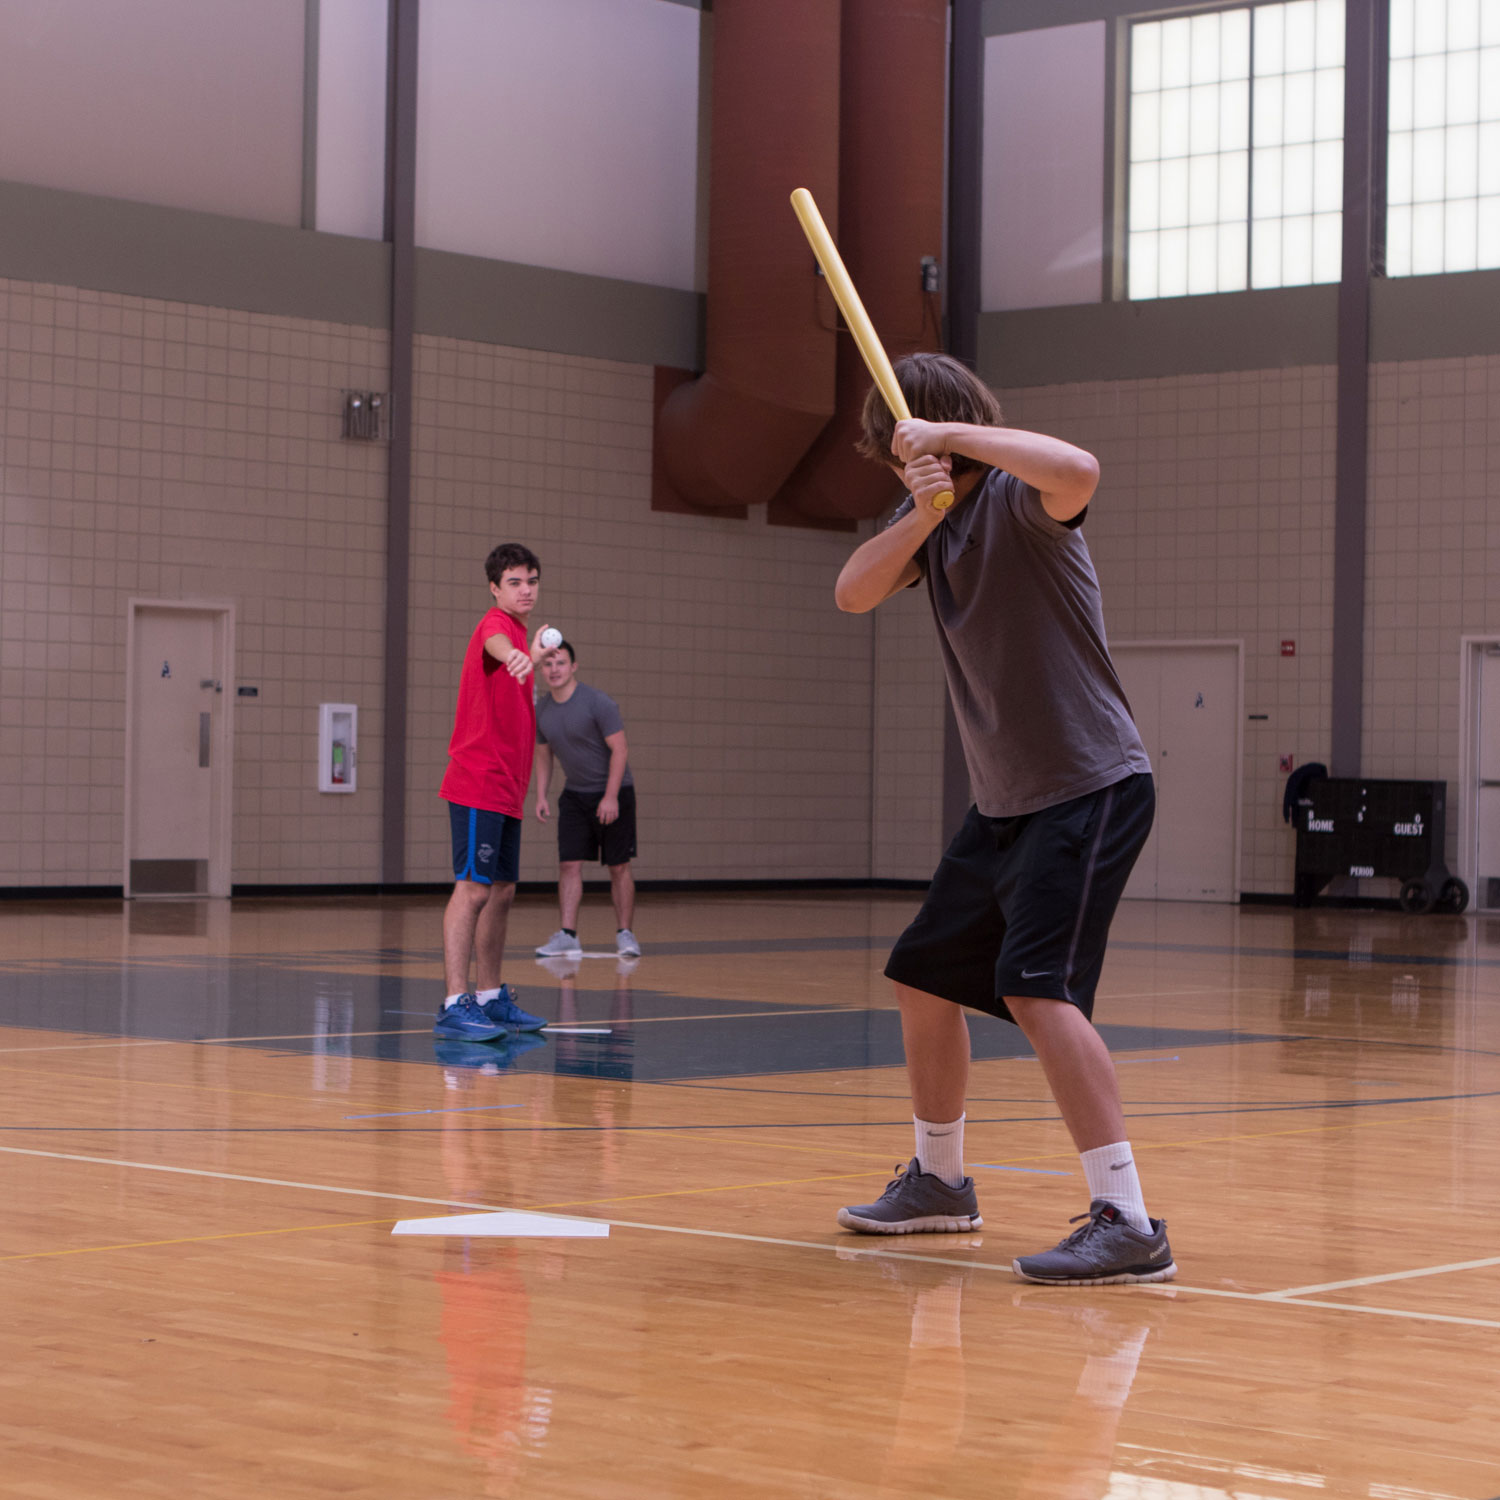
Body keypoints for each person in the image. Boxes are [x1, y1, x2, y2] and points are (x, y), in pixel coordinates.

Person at [831, 352, 1173, 1287]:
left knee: (1034, 988)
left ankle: (1129, 1219)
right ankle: (941, 1182)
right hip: (1006, 804)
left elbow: (1081, 470)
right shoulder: (930, 526)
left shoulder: (1023, 501)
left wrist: (946, 441)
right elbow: (853, 589)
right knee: (923, 977)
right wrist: (922, 509)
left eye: (905, 443)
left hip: (1090, 784)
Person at [433, 542, 551, 1041]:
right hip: (479, 781)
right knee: (474, 888)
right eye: (514, 583)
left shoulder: (520, 636)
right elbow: (495, 647)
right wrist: (519, 659)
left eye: (531, 580)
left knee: (502, 891)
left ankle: (488, 998)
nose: (525, 590)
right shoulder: (496, 628)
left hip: (508, 788)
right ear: (494, 588)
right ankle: (455, 1002)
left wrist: (533, 655)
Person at [531, 640, 641, 959]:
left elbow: (620, 750)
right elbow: (544, 754)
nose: (554, 670)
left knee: (618, 865)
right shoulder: (542, 710)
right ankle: (567, 934)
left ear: (573, 667)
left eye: (561, 663)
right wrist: (540, 795)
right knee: (569, 864)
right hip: (575, 795)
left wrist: (610, 796)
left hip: (614, 792)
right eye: (548, 664)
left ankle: (626, 934)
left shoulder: (598, 703)